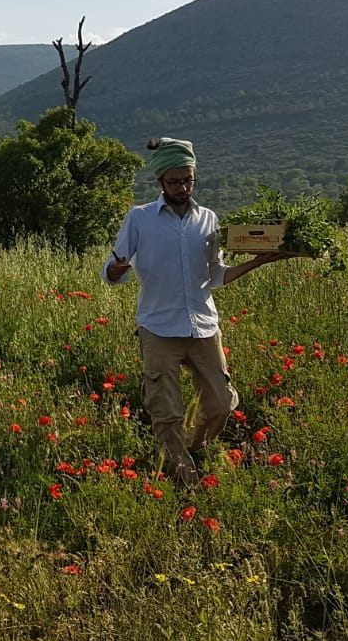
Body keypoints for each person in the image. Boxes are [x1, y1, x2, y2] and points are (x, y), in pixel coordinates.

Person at [101, 137, 293, 486]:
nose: (182, 188)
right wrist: (116, 270)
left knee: (221, 403)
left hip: (204, 326)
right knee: (167, 410)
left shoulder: (208, 219)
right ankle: (185, 479)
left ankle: (190, 448)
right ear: (160, 182)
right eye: (174, 182)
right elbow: (112, 268)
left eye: (187, 180)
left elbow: (216, 276)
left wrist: (258, 261)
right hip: (158, 328)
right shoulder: (140, 218)